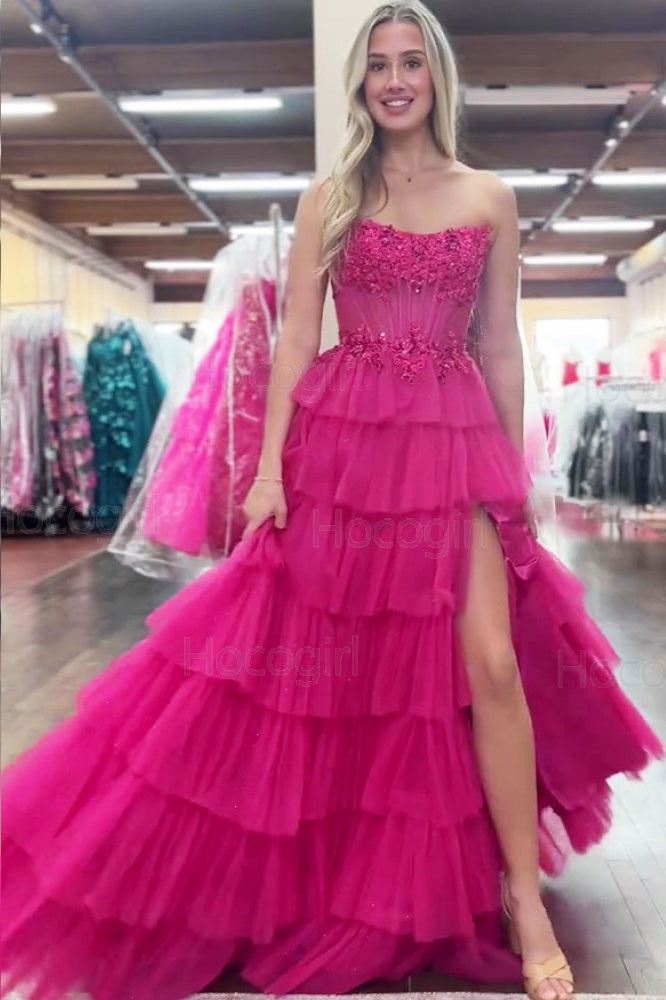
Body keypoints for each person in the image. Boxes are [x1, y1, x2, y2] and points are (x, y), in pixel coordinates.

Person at [1, 3, 662, 1000]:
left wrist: (514, 476)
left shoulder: (489, 196)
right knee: (338, 668)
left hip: (453, 439)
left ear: (437, 77)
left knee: (490, 661)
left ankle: (523, 898)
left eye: (411, 63)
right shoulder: (332, 198)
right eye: (378, 65)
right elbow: (299, 344)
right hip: (345, 445)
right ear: (361, 83)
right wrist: (270, 471)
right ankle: (342, 878)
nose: (395, 80)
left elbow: (499, 345)